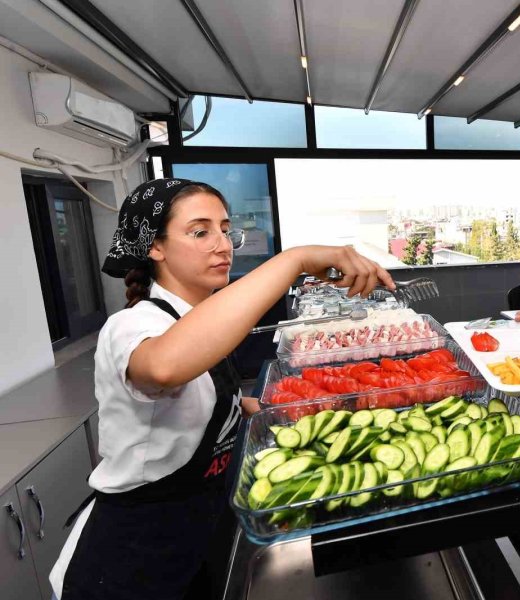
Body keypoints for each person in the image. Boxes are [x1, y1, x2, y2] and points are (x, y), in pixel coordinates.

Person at [49, 178, 394, 600]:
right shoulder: (134, 324)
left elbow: (210, 406)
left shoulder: (197, 319)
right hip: (130, 560)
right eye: (200, 232)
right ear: (155, 247)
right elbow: (163, 368)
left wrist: (284, 410)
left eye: (225, 229)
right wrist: (296, 259)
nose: (222, 244)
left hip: (195, 534)